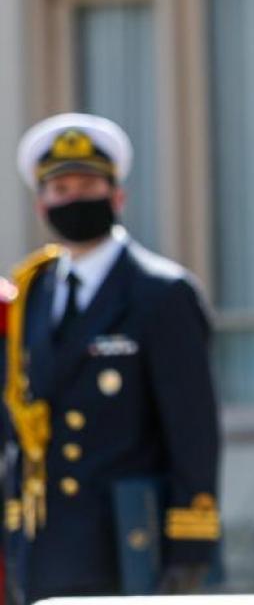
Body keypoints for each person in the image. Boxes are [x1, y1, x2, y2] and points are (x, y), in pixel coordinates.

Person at [1, 113, 220, 603]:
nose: (74, 198)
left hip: (128, 539)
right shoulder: (31, 293)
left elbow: (193, 429)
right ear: (41, 205)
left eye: (88, 185)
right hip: (43, 542)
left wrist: (191, 540)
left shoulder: (161, 292)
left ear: (117, 195)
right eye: (61, 189)